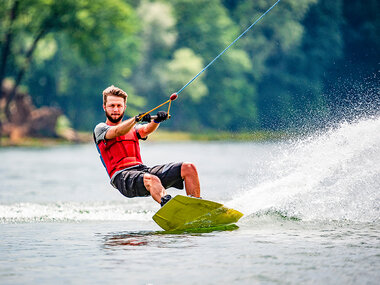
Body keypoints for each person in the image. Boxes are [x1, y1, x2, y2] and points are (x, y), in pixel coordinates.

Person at [94, 85, 201, 206]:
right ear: (104, 107)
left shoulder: (132, 128)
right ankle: (171, 207)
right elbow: (118, 131)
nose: (115, 109)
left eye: (119, 106)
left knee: (188, 167)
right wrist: (136, 119)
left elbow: (145, 130)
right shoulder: (100, 129)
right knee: (152, 179)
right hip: (122, 178)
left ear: (124, 107)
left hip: (141, 170)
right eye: (112, 106)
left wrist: (156, 121)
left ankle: (196, 207)